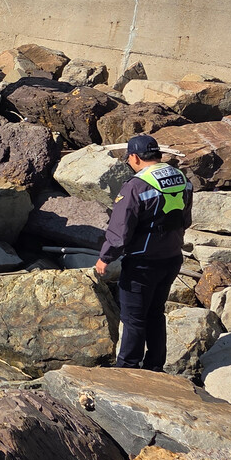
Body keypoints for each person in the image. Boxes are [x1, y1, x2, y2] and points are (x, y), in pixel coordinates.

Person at [95, 135, 192, 372]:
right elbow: (185, 220)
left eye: (129, 158)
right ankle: (155, 366)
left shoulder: (136, 186)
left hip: (142, 264)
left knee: (134, 319)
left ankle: (127, 369)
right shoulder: (183, 179)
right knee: (155, 313)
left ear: (135, 157)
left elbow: (120, 231)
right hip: (172, 259)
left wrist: (105, 258)